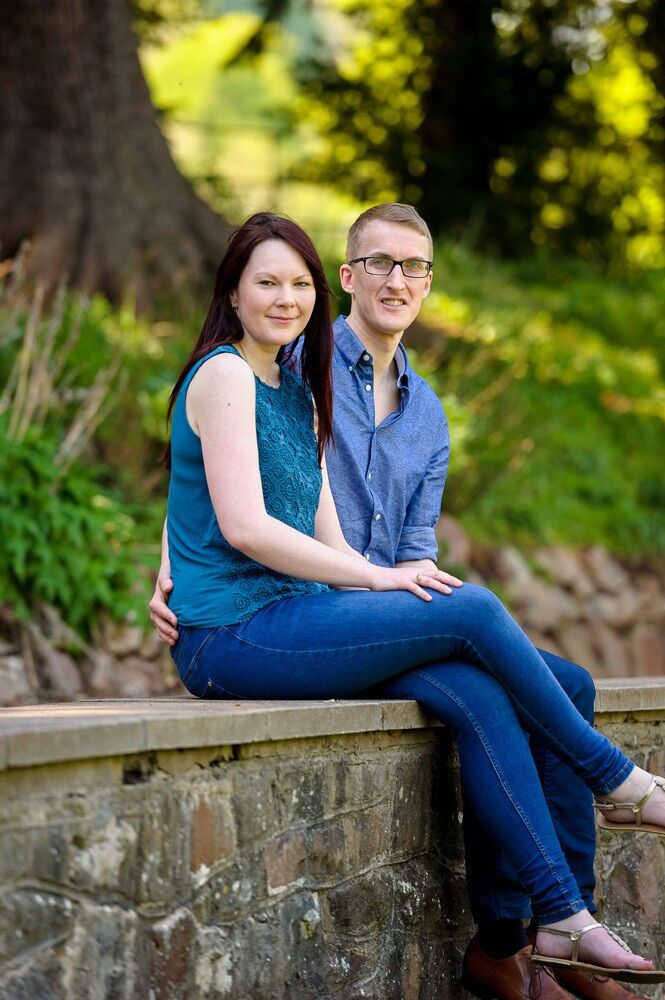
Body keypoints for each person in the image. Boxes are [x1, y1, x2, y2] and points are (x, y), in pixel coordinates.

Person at [152, 209, 665, 1000]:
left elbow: (290, 506)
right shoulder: (255, 364)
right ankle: (616, 783)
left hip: (322, 608)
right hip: (256, 622)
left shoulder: (310, 388)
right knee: (473, 611)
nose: (286, 298)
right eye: (268, 282)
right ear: (344, 279)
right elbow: (232, 511)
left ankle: (550, 925)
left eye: (297, 284)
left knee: (516, 686)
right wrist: (174, 569)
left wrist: (380, 578)